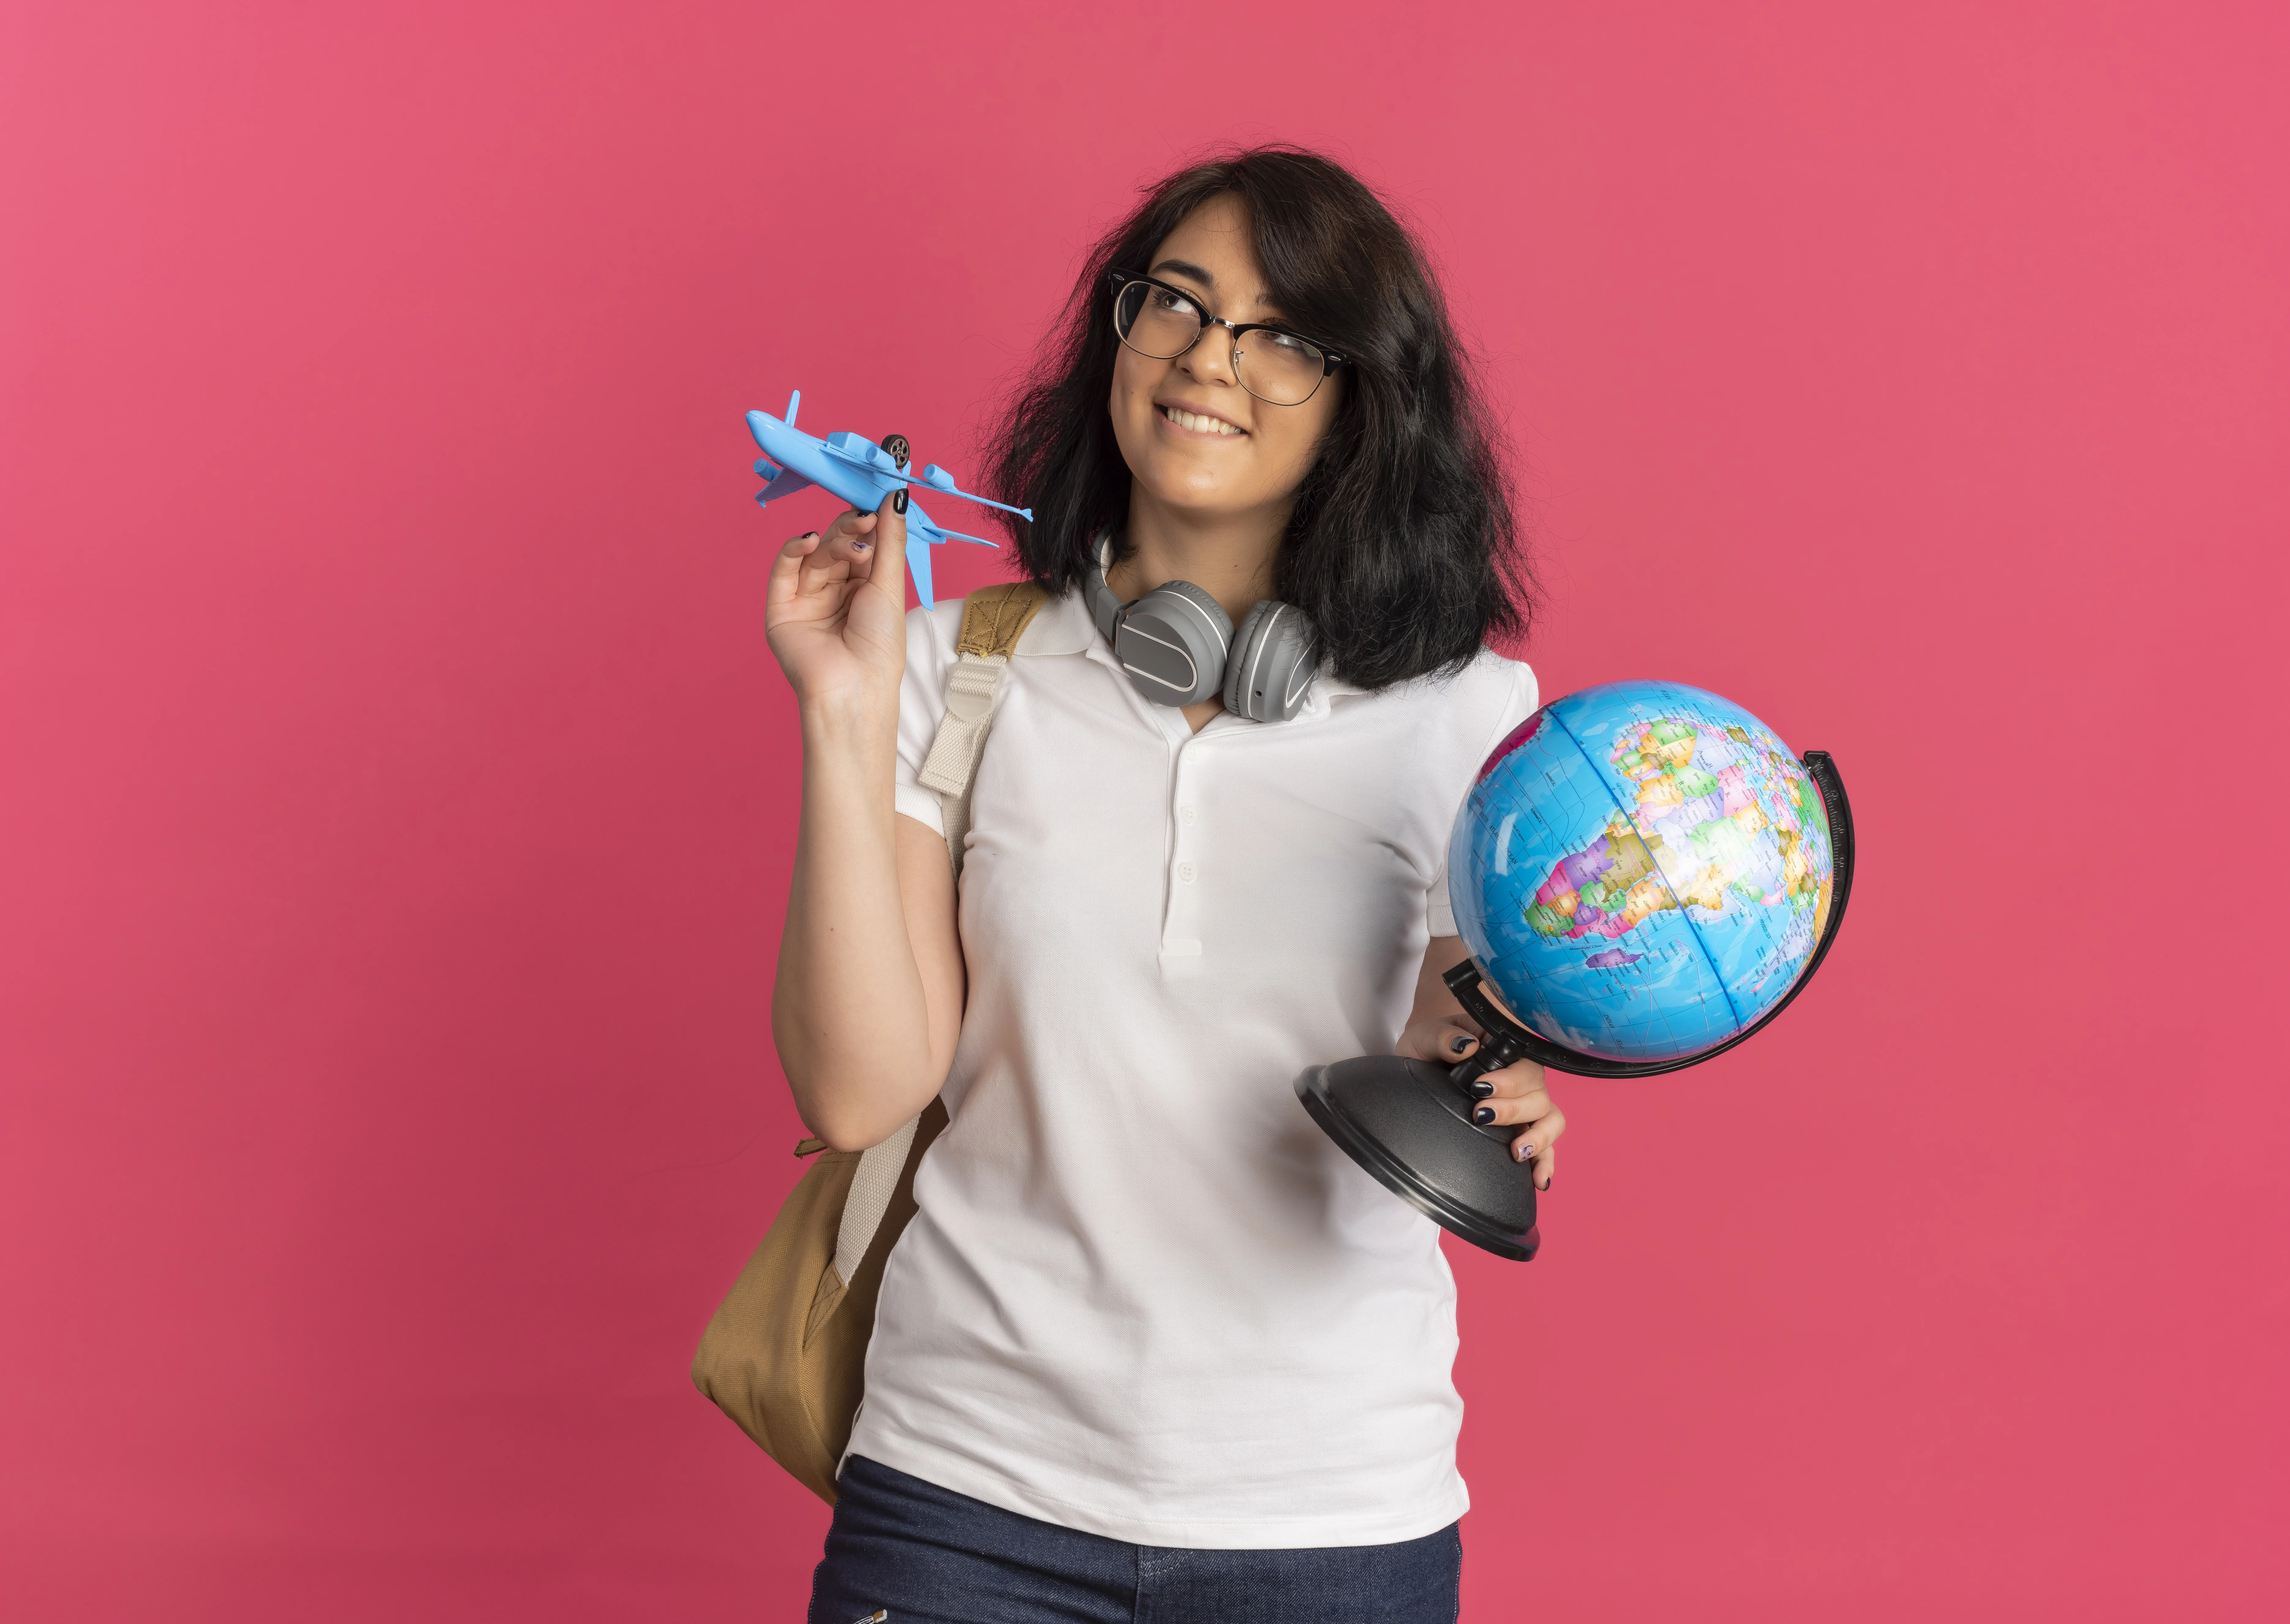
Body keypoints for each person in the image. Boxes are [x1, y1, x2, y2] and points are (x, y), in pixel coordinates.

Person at [764, 146, 1565, 1624]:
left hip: (1332, 1512)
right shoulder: (962, 669)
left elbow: (1453, 1054)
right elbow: (859, 1095)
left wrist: (1504, 1088)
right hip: (967, 1499)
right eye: (1177, 305)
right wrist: (843, 706)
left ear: (1362, 399)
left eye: (1284, 335)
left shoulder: (1463, 716)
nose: (1210, 358)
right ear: (1116, 338)